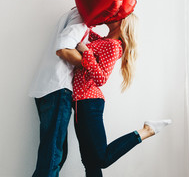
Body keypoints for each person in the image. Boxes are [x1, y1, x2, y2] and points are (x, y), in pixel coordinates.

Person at [73, 13, 171, 177]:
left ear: (122, 23)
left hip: (89, 101)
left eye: (117, 15)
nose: (111, 15)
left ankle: (146, 130)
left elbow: (101, 77)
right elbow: (86, 32)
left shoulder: (113, 46)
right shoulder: (103, 40)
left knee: (101, 159)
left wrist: (86, 53)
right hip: (80, 102)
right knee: (90, 162)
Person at [29, 7, 87, 177]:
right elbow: (63, 49)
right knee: (53, 157)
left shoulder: (70, 14)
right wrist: (90, 63)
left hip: (47, 87)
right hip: (58, 87)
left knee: (54, 155)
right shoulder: (81, 17)